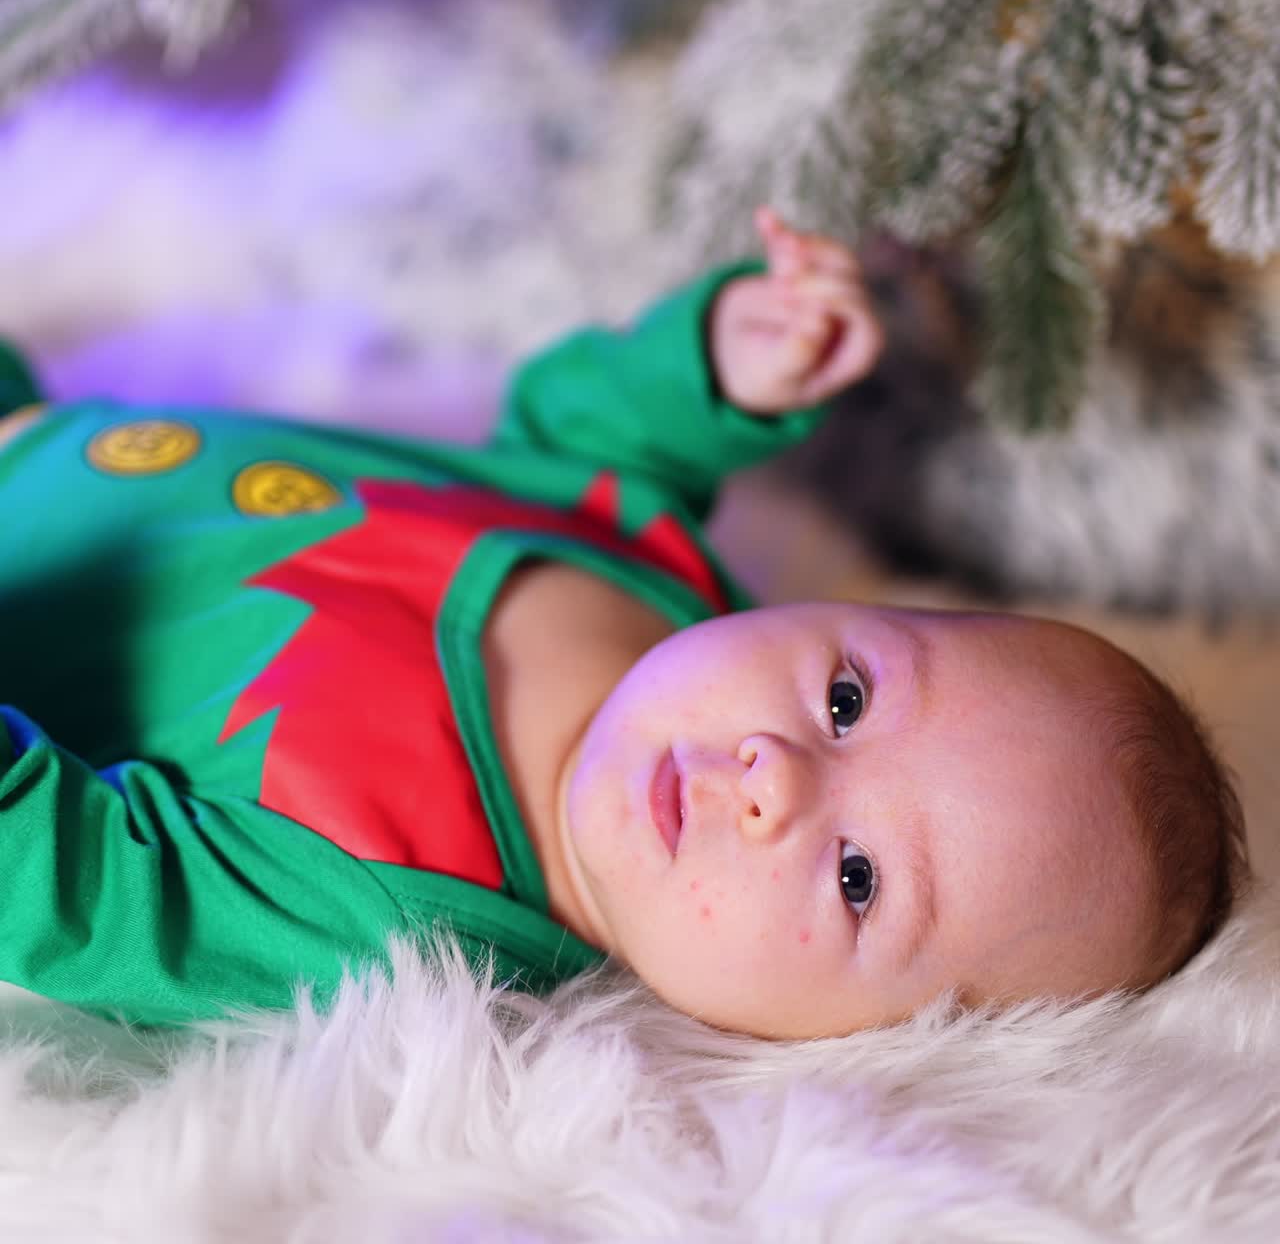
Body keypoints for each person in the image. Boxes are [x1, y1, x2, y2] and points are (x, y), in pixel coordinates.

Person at [0, 210, 1249, 1036]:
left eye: (858, 878)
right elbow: (564, 442)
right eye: (846, 699)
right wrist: (717, 365)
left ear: (841, 1042)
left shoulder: (399, 927)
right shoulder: (659, 590)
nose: (773, 778)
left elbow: (82, 886)